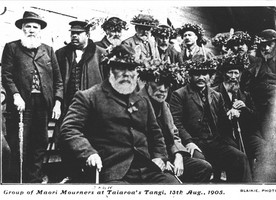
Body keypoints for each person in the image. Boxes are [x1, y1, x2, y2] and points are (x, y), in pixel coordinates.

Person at [58, 44, 179, 184]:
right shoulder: (89, 97)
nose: (127, 73)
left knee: (173, 186)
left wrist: (159, 156)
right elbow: (69, 129)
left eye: (131, 68)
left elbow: (156, 134)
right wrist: (89, 153)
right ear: (110, 70)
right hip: (111, 171)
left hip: (146, 168)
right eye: (120, 68)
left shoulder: (142, 101)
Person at [1, 11, 63, 183]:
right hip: (21, 104)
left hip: (43, 104)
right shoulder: (12, 48)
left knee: (40, 142)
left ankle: (34, 179)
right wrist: (15, 95)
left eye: (35, 27)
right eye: (28, 26)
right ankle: (16, 180)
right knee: (20, 143)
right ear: (22, 28)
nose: (31, 30)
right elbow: (6, 75)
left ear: (40, 30)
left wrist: (57, 102)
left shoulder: (48, 50)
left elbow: (58, 79)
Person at [169, 57, 252, 182]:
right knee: (202, 165)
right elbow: (176, 123)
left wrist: (232, 114)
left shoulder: (216, 95)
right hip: (194, 143)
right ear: (190, 76)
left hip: (214, 142)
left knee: (240, 158)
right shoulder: (179, 94)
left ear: (210, 76)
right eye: (197, 74)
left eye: (205, 74)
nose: (201, 77)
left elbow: (223, 123)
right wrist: (188, 141)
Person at [137, 60, 212, 182]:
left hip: (170, 155)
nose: (163, 89)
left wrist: (178, 155)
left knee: (203, 167)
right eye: (158, 83)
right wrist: (161, 159)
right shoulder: (137, 104)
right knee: (172, 182)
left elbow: (175, 135)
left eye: (167, 85)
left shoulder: (164, 106)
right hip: (150, 161)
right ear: (147, 83)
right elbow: (138, 144)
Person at [212, 53, 266, 179]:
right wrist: (228, 115)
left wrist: (244, 109)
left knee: (265, 148)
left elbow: (255, 120)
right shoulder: (214, 93)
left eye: (236, 73)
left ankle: (258, 181)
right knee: (237, 156)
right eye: (230, 73)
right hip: (225, 136)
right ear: (224, 74)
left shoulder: (244, 94)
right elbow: (211, 119)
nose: (233, 77)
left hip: (245, 135)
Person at [55, 20, 106, 129]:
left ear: (87, 34)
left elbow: (106, 80)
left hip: (91, 103)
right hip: (68, 103)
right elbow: (56, 80)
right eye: (72, 33)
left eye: (78, 33)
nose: (74, 36)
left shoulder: (101, 54)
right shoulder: (61, 54)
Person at [245, 29, 276, 182]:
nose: (266, 49)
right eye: (263, 46)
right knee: (259, 147)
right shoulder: (257, 62)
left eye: (270, 44)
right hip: (257, 111)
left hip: (272, 112)